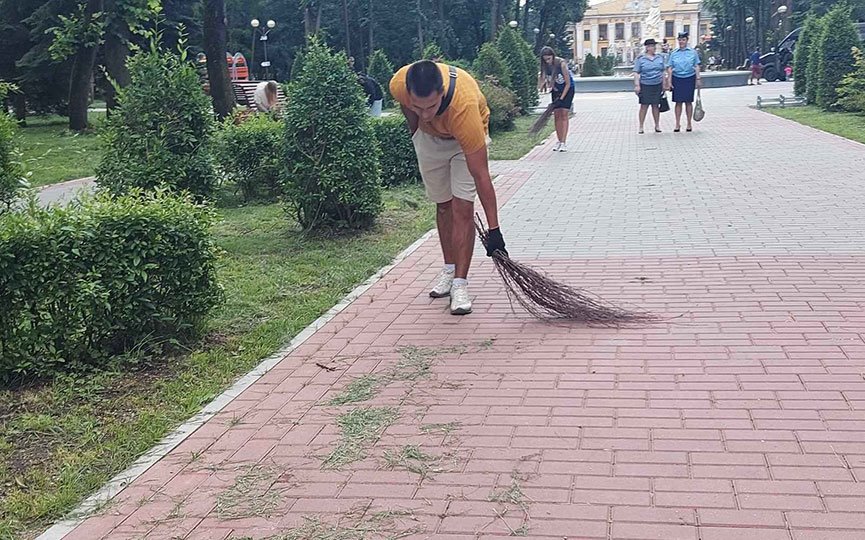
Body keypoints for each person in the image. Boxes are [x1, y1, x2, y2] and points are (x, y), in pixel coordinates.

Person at [390, 60, 505, 315]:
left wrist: (494, 230)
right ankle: (449, 268)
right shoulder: (399, 84)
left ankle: (460, 284)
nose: (426, 113)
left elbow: (481, 175)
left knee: (461, 207)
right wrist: (416, 130)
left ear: (441, 92)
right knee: (443, 206)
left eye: (431, 106)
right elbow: (410, 110)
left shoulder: (463, 106)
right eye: (418, 106)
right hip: (431, 140)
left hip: (463, 142)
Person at [537, 46, 575, 152]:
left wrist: (562, 98)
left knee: (563, 114)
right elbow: (543, 81)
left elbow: (567, 83)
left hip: (568, 90)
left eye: (549, 59)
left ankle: (563, 142)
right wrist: (543, 85)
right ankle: (558, 141)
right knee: (557, 115)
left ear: (553, 56)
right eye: (545, 59)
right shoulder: (545, 66)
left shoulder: (561, 64)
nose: (547, 61)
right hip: (556, 90)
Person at [665, 32, 702, 133]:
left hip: (689, 78)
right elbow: (670, 68)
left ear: (686, 40)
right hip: (677, 78)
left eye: (683, 40)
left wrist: (698, 79)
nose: (681, 42)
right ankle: (677, 123)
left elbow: (697, 65)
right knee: (678, 102)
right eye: (680, 40)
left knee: (688, 102)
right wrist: (669, 81)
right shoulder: (674, 53)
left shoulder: (692, 52)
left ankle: (689, 123)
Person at [633, 38, 666, 134]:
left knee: (656, 105)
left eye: (654, 46)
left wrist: (664, 83)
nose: (654, 48)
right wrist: (637, 85)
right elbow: (636, 72)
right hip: (645, 84)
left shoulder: (659, 57)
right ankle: (641, 126)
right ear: (647, 47)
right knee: (644, 106)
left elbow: (663, 71)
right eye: (652, 46)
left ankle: (657, 125)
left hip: (657, 84)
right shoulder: (641, 59)